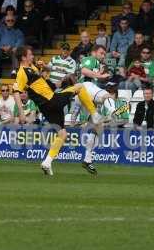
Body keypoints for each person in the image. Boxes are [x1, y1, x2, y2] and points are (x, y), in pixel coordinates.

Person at [13, 45, 102, 176]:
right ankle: (94, 115)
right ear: (23, 57)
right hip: (51, 101)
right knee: (80, 86)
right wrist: (21, 112)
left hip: (46, 107)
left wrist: (61, 79)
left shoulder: (32, 68)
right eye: (30, 54)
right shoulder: (22, 72)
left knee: (63, 134)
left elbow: (51, 85)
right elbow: (16, 92)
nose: (33, 56)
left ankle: (47, 162)